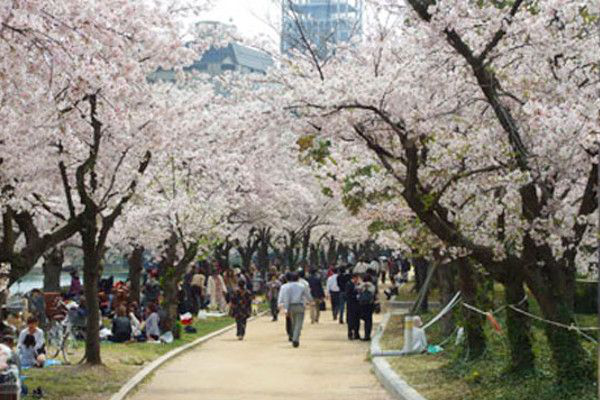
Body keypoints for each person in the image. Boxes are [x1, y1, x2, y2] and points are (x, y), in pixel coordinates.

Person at [278, 272, 312, 348]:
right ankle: (295, 339)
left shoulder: (284, 287)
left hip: (289, 306)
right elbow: (307, 295)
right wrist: (310, 301)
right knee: (298, 323)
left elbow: (280, 297)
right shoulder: (302, 286)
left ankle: (293, 335)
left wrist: (281, 305)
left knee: (292, 322)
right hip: (299, 306)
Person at [358, 274, 376, 341]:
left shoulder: (361, 285)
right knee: (369, 320)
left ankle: (366, 335)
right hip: (370, 304)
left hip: (363, 305)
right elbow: (374, 294)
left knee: (365, 319)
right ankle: (367, 335)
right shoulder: (372, 286)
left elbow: (358, 290)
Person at [345, 273, 361, 340]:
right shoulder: (349, 284)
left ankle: (356, 333)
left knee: (357, 320)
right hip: (351, 305)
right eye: (357, 278)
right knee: (351, 320)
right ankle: (350, 333)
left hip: (357, 305)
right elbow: (348, 295)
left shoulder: (358, 284)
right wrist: (355, 296)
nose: (358, 280)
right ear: (354, 278)